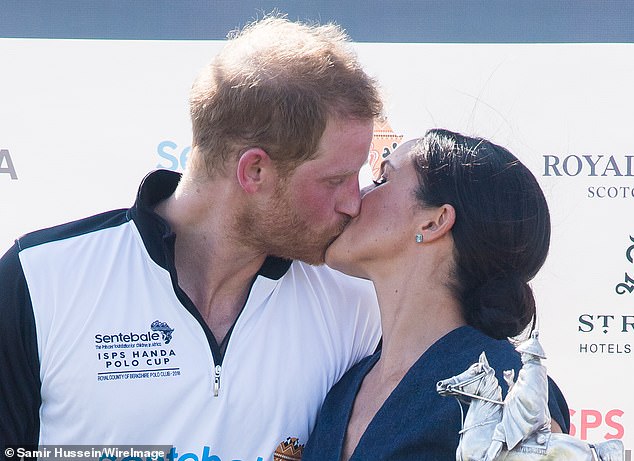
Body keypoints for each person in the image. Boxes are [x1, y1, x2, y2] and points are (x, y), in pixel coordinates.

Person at [0, 16, 383, 460]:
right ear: (254, 171)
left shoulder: (358, 305)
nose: (354, 203)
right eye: (336, 179)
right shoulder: (39, 279)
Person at [301, 129, 570, 461]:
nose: (356, 198)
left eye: (383, 179)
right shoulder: (344, 389)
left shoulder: (507, 389)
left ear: (434, 222)